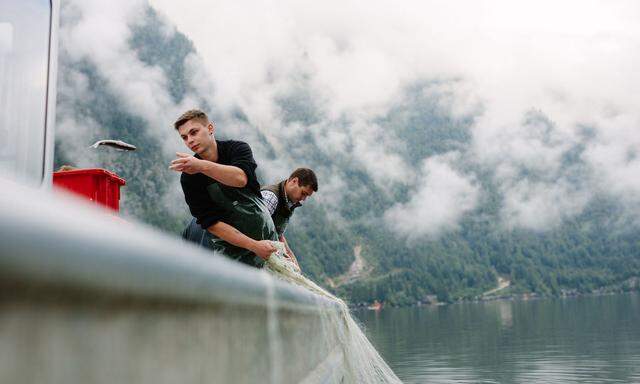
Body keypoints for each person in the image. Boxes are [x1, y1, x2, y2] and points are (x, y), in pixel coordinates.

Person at [169, 109, 277, 268]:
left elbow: (241, 179)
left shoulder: (237, 148)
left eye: (194, 132)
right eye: (184, 137)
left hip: (267, 237)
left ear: (210, 128)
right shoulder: (188, 177)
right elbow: (211, 223)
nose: (190, 140)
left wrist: (201, 166)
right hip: (231, 249)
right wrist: (254, 245)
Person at [261, 168, 318, 270]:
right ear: (294, 181)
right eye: (303, 193)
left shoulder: (289, 202)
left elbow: (277, 232)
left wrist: (290, 255)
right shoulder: (271, 197)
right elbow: (256, 230)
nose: (304, 199)